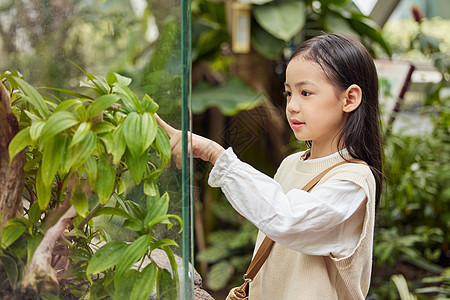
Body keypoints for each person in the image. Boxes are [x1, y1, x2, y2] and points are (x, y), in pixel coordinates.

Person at [156, 32, 382, 299]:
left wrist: (216, 155)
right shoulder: (290, 164)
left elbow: (286, 220)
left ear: (350, 99)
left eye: (306, 92)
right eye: (288, 93)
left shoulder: (354, 181)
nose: (292, 106)